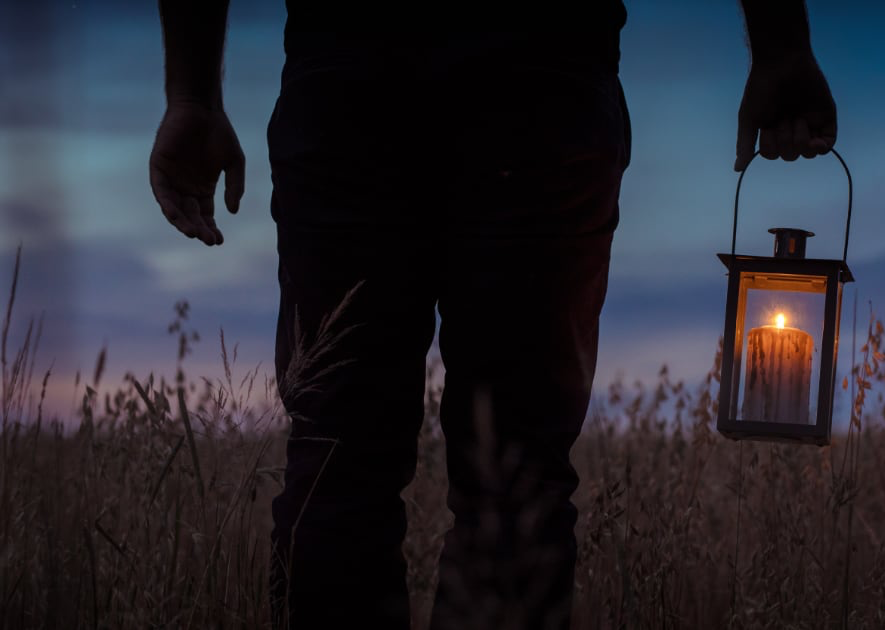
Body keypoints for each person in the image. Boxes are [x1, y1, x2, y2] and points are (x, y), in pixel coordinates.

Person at [148, 1, 836, 628]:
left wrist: (193, 92)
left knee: (337, 466)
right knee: (513, 482)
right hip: (542, 81)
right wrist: (779, 46)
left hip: (351, 75)